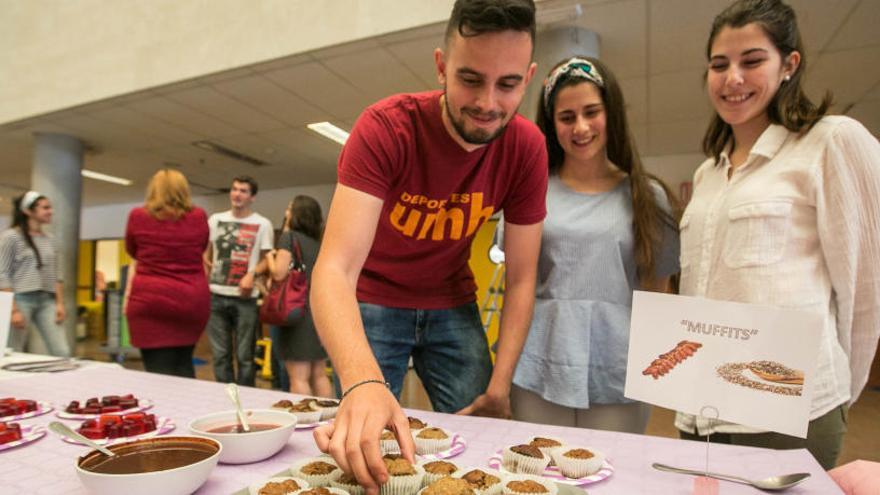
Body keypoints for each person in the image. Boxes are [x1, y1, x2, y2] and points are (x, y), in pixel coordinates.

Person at [311, 0, 547, 491]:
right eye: (470, 78)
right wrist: (362, 381)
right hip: (374, 299)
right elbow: (333, 269)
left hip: (452, 301)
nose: (487, 103)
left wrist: (500, 386)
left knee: (490, 441)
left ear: (527, 78)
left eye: (507, 85)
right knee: (362, 446)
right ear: (441, 66)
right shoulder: (385, 128)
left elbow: (524, 277)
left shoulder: (526, 147)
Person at [675, 0, 880, 470]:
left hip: (787, 414)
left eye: (752, 61)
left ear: (789, 64)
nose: (733, 79)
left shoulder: (830, 142)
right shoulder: (708, 174)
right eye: (719, 64)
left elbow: (867, 287)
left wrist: (835, 389)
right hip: (700, 411)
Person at [511, 57, 680, 433]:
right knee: (537, 478)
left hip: (620, 366)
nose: (581, 127)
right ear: (552, 124)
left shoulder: (647, 197)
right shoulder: (530, 191)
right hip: (539, 361)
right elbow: (517, 284)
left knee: (611, 480)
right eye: (567, 117)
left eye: (592, 112)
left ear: (611, 113)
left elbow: (658, 297)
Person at [123, 169, 210, 378]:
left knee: (158, 373)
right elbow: (202, 246)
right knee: (184, 365)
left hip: (150, 301)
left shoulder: (138, 216)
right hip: (191, 301)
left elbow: (132, 250)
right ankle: (191, 409)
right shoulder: (198, 216)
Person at [204, 176, 273, 386]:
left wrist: (251, 274)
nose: (237, 194)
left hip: (245, 298)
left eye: (243, 191)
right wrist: (206, 266)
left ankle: (246, 401)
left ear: (252, 197)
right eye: (234, 189)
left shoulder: (262, 224)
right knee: (220, 355)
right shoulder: (215, 220)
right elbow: (203, 252)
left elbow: (267, 260)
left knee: (245, 356)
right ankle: (225, 400)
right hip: (216, 295)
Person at [265, 195, 332, 397]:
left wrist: (270, 257)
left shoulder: (289, 238)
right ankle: (327, 420)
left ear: (296, 214)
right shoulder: (319, 243)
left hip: (296, 313)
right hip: (318, 313)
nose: (286, 212)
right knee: (320, 374)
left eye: (289, 208)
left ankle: (305, 424)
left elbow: (278, 273)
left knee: (299, 377)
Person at [0, 191, 70, 357]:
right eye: (45, 208)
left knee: (62, 351)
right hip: (20, 299)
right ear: (28, 211)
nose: (50, 211)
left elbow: (56, 274)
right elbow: (2, 273)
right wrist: (13, 310)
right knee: (13, 351)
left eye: (50, 207)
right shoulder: (11, 237)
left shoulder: (50, 239)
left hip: (47, 300)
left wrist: (59, 303)